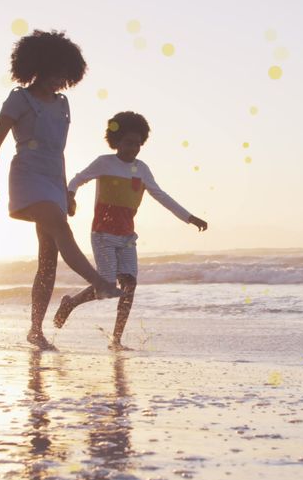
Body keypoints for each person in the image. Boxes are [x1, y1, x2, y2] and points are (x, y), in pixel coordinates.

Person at [0, 30, 122, 351]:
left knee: (48, 261)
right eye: (56, 73)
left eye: (65, 76)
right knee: (60, 227)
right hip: (28, 177)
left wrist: (67, 192)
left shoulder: (62, 104)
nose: (60, 81)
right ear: (40, 67)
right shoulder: (19, 98)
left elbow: (59, 152)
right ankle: (98, 281)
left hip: (53, 181)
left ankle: (35, 330)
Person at [53, 111, 208, 350]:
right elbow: (77, 179)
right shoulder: (104, 163)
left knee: (129, 284)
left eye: (137, 144)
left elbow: (161, 196)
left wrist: (189, 217)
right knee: (105, 284)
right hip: (103, 234)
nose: (133, 148)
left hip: (127, 236)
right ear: (116, 141)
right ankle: (70, 303)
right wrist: (70, 196)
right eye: (128, 143)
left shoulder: (142, 169)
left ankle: (116, 340)